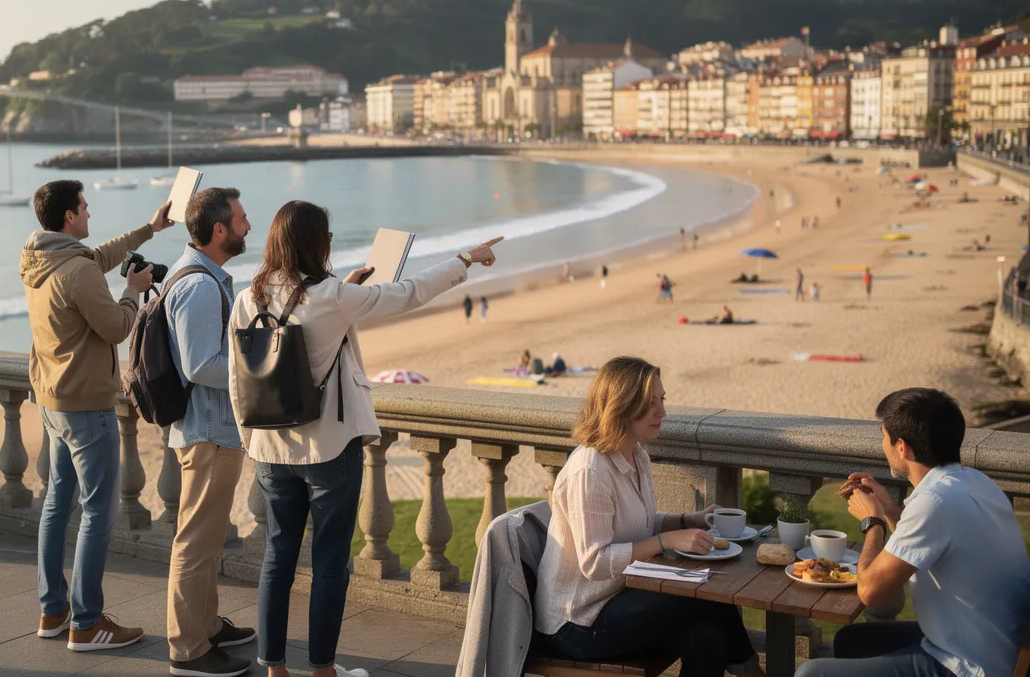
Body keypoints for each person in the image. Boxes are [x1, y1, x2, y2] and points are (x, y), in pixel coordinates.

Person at [228, 200, 501, 677]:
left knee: (278, 558)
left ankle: (273, 667)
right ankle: (323, 670)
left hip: (270, 449)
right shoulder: (330, 298)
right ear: (316, 244)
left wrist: (249, 440)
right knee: (330, 561)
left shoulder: (247, 297)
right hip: (328, 448)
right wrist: (464, 259)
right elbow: (409, 292)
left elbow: (238, 379)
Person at [534, 357, 763, 677]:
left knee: (706, 636)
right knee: (709, 599)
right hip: (578, 622)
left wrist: (686, 520)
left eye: (662, 399)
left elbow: (638, 520)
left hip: (618, 597)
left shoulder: (635, 452)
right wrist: (665, 540)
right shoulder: (590, 470)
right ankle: (754, 672)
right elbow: (594, 561)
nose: (662, 412)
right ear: (621, 406)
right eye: (650, 402)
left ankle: (750, 671)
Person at [21, 180, 171, 652]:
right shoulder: (77, 272)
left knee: (56, 503)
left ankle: (53, 610)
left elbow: (97, 256)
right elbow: (116, 327)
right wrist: (133, 290)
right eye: (85, 207)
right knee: (98, 512)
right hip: (86, 406)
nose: (89, 213)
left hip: (52, 401)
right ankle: (86, 623)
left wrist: (150, 228)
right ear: (69, 216)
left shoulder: (42, 259)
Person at [797, 389, 1030, 677]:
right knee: (852, 641)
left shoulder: (934, 502)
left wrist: (872, 522)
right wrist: (887, 508)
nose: (882, 445)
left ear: (902, 447)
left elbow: (871, 592)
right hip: (994, 644)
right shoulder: (975, 482)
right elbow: (926, 542)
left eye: (883, 437)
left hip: (966, 665)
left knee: (811, 673)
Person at [163, 188, 256, 677]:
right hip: (208, 430)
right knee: (196, 543)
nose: (248, 225)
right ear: (219, 230)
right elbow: (201, 365)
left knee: (208, 538)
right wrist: (257, 371)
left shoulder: (200, 276)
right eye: (241, 219)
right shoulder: (200, 286)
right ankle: (188, 649)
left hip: (208, 427)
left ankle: (207, 625)